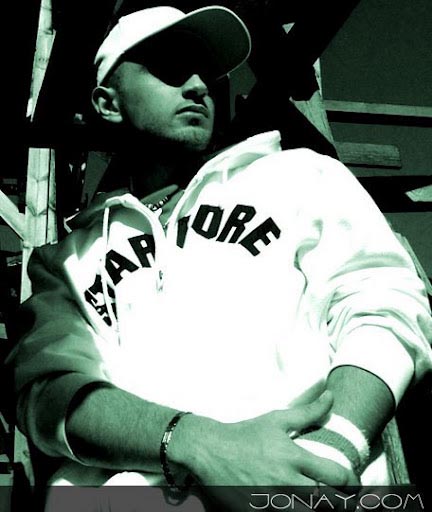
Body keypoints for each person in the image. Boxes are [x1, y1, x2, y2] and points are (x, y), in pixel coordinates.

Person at [6, 5, 432, 511]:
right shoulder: (65, 260)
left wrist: (329, 453)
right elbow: (48, 391)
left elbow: (383, 305)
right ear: (108, 102)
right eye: (170, 69)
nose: (198, 87)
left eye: (206, 74)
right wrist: (193, 442)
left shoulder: (298, 177)